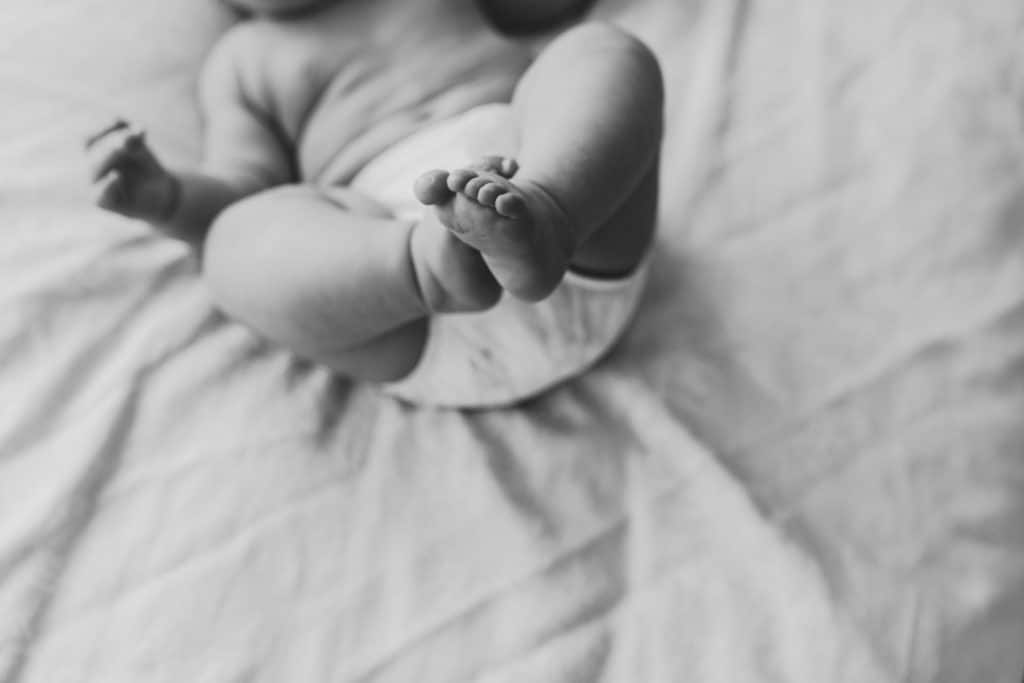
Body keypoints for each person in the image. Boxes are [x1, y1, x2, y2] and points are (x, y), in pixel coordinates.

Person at [85, 0, 663, 407]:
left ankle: (547, 212)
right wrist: (171, 199)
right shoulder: (243, 61)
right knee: (234, 239)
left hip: (571, 210)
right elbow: (241, 187)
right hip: (402, 303)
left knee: (600, 50)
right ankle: (432, 266)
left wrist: (552, 195)